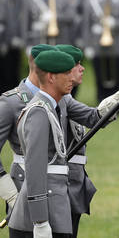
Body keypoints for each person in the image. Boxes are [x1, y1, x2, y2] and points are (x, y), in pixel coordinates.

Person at [8, 50, 77, 238]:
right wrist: (40, 221)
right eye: (66, 73)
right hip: (42, 216)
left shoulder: (52, 107)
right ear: (51, 77)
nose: (73, 78)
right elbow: (35, 168)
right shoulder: (39, 112)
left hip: (55, 208)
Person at [0, 44, 59, 212]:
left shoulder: (60, 97)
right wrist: (10, 193)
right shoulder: (10, 102)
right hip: (23, 189)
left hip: (57, 191)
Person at [56, 44, 96, 238]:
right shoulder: (53, 100)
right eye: (77, 64)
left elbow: (93, 116)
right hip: (57, 188)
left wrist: (112, 104)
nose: (82, 68)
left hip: (74, 185)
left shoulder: (66, 99)